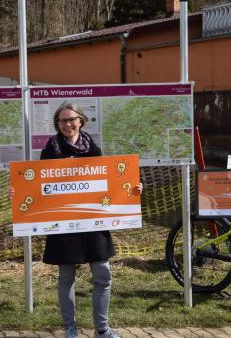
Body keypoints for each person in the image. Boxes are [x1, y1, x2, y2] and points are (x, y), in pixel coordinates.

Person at [39, 102, 142, 338]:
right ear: (58, 125)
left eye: (71, 119)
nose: (67, 124)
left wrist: (133, 189)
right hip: (64, 224)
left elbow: (111, 182)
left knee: (103, 275)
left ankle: (102, 330)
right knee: (66, 277)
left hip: (93, 224)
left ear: (81, 121)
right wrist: (19, 193)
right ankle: (70, 331)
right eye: (62, 121)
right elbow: (37, 188)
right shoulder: (50, 151)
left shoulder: (94, 150)